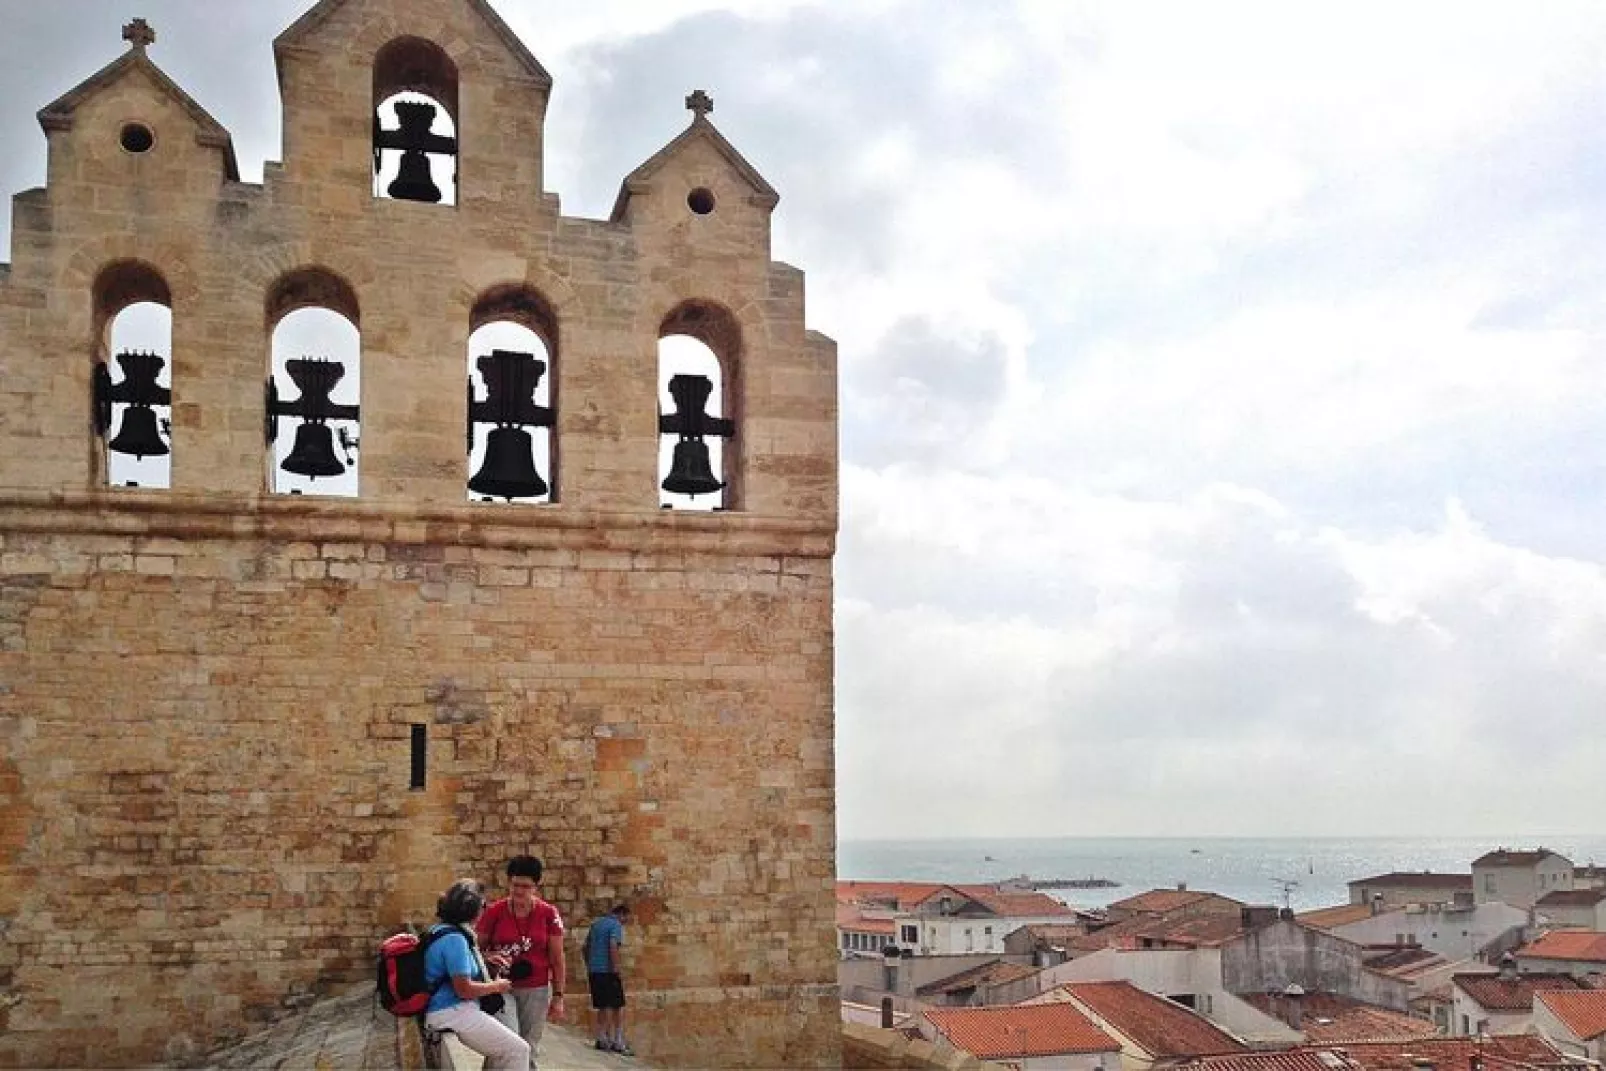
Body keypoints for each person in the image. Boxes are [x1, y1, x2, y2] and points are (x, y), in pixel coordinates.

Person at [422, 879, 529, 1071]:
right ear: (473, 909)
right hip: (451, 1011)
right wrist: (498, 986)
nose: (484, 910)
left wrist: (487, 962)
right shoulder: (455, 940)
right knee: (518, 1050)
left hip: (446, 1010)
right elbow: (464, 989)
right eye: (483, 905)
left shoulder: (441, 930)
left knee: (505, 1050)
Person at [476, 856, 566, 1068]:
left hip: (537, 988)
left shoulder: (548, 914)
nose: (519, 891)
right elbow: (474, 948)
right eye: (515, 885)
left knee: (529, 1046)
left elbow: (557, 957)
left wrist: (559, 996)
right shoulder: (494, 912)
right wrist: (488, 957)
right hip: (501, 986)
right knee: (506, 1041)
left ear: (536, 886)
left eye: (525, 886)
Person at [585, 904, 632, 1055]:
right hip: (608, 971)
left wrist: (590, 964)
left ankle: (602, 1037)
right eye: (626, 919)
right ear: (621, 915)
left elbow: (585, 947)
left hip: (594, 971)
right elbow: (613, 945)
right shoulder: (615, 925)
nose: (625, 922)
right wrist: (616, 967)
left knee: (602, 1005)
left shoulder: (596, 924)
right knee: (618, 1006)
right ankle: (617, 1040)